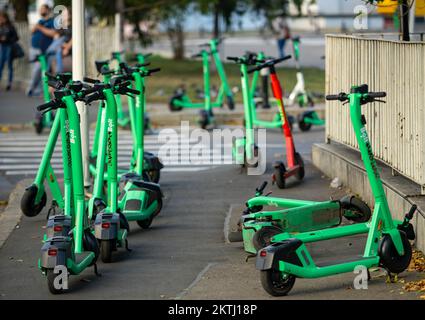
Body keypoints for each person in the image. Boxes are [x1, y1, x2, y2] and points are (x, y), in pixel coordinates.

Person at [27, 4, 54, 97]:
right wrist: (36, 27)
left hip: (43, 50)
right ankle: (34, 90)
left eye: (43, 9)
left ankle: (33, 89)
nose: (40, 11)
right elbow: (32, 31)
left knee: (39, 70)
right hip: (34, 48)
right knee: (35, 70)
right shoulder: (40, 21)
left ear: (47, 10)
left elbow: (52, 33)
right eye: (40, 9)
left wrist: (40, 28)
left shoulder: (51, 22)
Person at [0, 11, 18, 91]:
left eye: (2, 18)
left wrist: (7, 39)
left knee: (9, 65)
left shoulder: (10, 26)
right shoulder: (1, 27)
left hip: (9, 46)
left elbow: (16, 37)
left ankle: (9, 83)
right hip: (2, 46)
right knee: (1, 65)